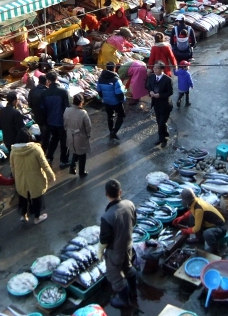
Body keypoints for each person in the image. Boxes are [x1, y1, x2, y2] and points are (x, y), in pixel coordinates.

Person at [100, 179, 138, 309]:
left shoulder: (107, 216)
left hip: (115, 253)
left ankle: (124, 300)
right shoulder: (130, 204)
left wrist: (100, 252)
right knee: (128, 267)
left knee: (115, 277)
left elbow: (104, 240)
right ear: (120, 192)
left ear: (106, 194)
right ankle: (134, 292)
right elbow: (134, 222)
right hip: (128, 246)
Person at [10, 127, 56, 224]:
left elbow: (12, 167)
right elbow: (44, 164)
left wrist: (15, 177)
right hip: (35, 179)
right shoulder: (35, 149)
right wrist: (51, 175)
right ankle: (37, 218)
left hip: (21, 179)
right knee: (36, 198)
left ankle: (24, 215)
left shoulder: (13, 151)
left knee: (22, 197)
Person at [174, 187, 227, 254]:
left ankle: (215, 252)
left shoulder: (199, 208)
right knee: (191, 217)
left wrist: (186, 231)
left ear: (187, 200)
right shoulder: (194, 201)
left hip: (220, 227)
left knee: (207, 234)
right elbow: (192, 211)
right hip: (209, 223)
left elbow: (197, 228)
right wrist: (182, 217)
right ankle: (199, 239)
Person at [41, 72, 70, 168]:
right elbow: (67, 107)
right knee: (64, 141)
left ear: (48, 81)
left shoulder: (44, 93)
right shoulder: (63, 92)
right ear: (57, 79)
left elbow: (43, 109)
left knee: (54, 139)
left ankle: (49, 157)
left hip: (50, 122)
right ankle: (63, 160)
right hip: (62, 122)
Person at [146, 62, 174, 147]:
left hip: (165, 105)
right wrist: (150, 91)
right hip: (156, 104)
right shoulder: (152, 77)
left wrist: (160, 95)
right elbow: (148, 85)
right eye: (154, 68)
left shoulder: (167, 80)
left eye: (157, 68)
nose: (155, 70)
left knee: (162, 122)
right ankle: (164, 135)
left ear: (162, 69)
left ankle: (162, 138)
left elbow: (170, 92)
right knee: (159, 122)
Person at [97, 62, 126, 140]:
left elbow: (99, 91)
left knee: (110, 116)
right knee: (121, 115)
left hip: (106, 102)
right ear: (114, 68)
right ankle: (114, 132)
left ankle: (111, 131)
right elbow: (119, 93)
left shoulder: (100, 78)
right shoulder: (116, 80)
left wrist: (104, 98)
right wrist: (123, 100)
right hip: (116, 102)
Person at [64, 94, 91, 178]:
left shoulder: (67, 110)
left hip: (70, 135)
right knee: (82, 154)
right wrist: (88, 135)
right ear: (81, 102)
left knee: (75, 151)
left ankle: (72, 167)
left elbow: (65, 124)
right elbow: (88, 126)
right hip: (80, 136)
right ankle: (81, 172)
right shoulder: (83, 113)